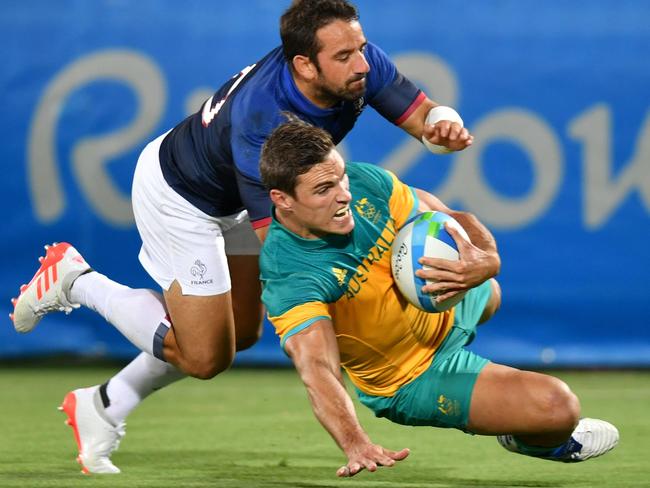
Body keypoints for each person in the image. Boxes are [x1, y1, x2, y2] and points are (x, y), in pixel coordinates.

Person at [10, 0, 473, 475]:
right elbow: (285, 251)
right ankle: (75, 279)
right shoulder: (261, 125)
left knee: (241, 331)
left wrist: (444, 123)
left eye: (361, 48)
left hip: (241, 193)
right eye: (344, 56)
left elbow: (426, 122)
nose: (361, 64)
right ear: (304, 65)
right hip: (181, 197)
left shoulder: (356, 61)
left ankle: (104, 404)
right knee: (207, 356)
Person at [258, 118, 619, 477]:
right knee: (557, 408)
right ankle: (532, 439)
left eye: (341, 177)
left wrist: (487, 259)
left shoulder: (366, 183)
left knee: (491, 292)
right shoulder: (289, 273)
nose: (344, 195)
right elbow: (318, 370)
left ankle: (501, 392)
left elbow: (448, 215)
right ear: (282, 200)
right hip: (414, 376)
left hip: (443, 307)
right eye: (323, 189)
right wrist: (355, 441)